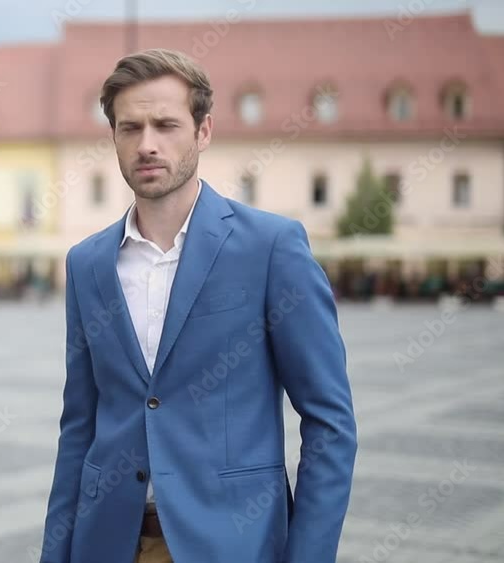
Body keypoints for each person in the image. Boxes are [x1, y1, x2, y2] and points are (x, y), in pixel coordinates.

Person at [39, 49, 357, 563]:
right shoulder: (86, 263)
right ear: (113, 136)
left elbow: (330, 424)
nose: (147, 144)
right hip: (107, 543)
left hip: (233, 543)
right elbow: (79, 427)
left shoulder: (270, 248)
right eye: (130, 128)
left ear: (203, 131)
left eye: (166, 125)